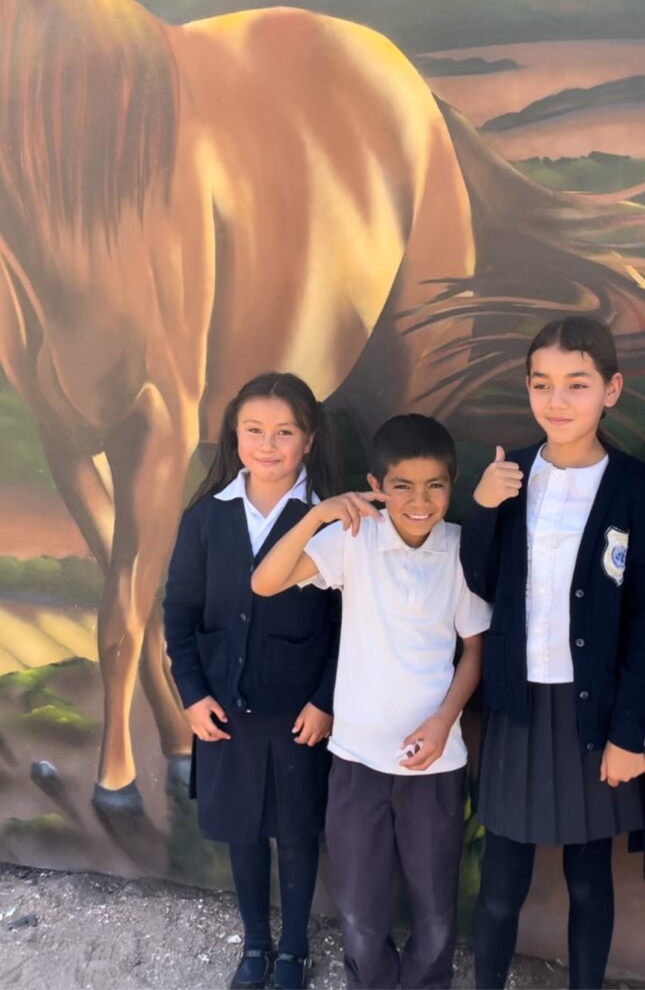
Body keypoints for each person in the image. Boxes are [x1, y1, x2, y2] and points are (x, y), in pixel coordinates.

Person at [252, 414, 491, 990]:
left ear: (452, 486)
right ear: (375, 485)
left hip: (434, 764)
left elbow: (475, 652)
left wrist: (442, 722)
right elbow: (265, 582)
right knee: (360, 909)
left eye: (435, 485)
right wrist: (317, 514)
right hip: (357, 759)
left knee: (435, 910)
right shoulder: (353, 539)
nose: (420, 500)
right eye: (402, 485)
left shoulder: (461, 549)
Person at [460, 316, 645, 990]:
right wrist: (480, 509)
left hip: (591, 716)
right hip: (516, 706)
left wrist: (631, 733)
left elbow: (642, 625)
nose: (556, 401)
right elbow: (476, 583)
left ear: (610, 389)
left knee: (589, 882)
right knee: (500, 882)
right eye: (541, 384)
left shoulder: (632, 488)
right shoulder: (509, 479)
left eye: (576, 384)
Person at [163, 373, 340, 990]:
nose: (268, 445)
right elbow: (178, 611)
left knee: (295, 831)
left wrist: (325, 699)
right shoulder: (206, 517)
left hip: (299, 714)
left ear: (309, 439)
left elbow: (351, 623)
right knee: (242, 828)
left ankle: (293, 949)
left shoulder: (327, 518)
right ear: (234, 436)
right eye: (254, 431)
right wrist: (191, 694)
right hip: (223, 711)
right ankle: (256, 945)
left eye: (284, 432)